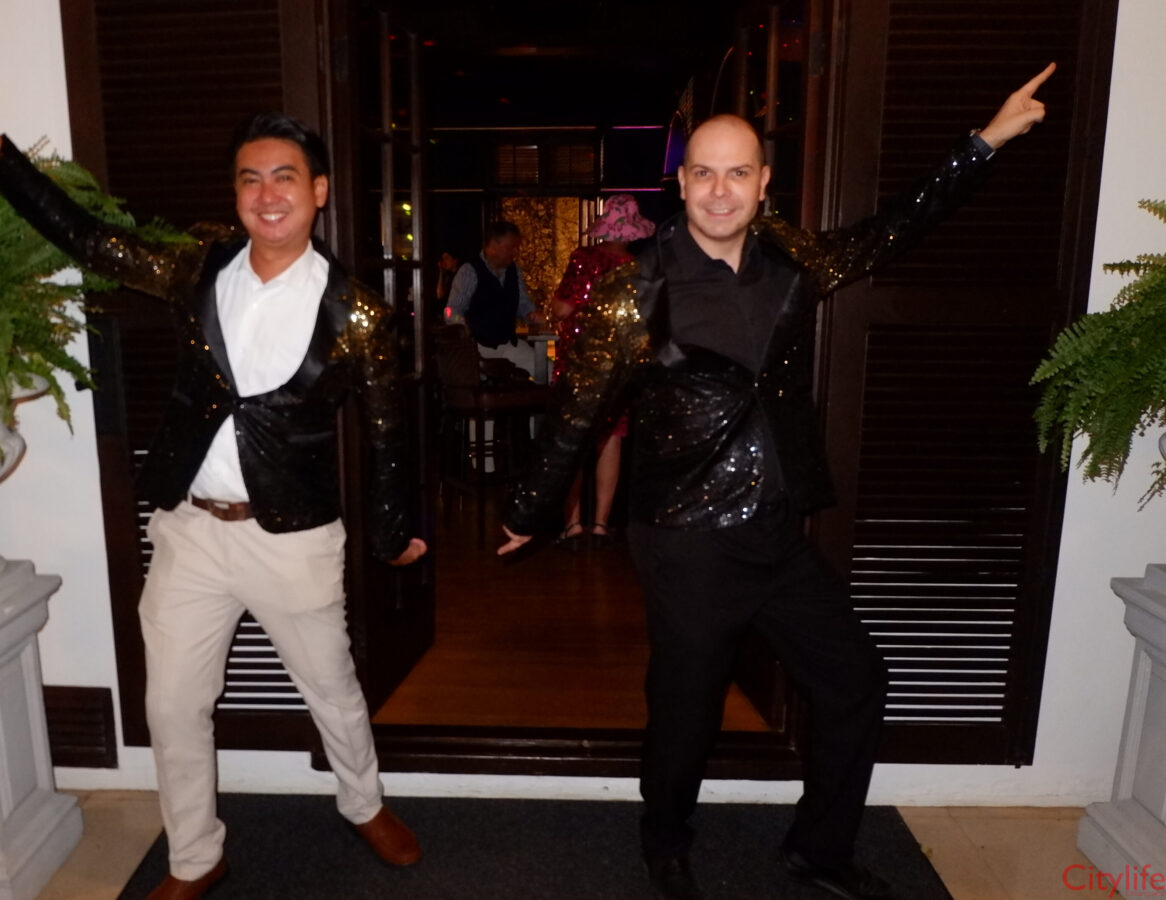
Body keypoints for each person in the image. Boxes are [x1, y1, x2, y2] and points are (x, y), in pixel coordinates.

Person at [0, 52, 428, 900]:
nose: (267, 193)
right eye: (250, 178)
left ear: (318, 191)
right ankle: (195, 855)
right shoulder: (198, 266)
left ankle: (363, 802)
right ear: (235, 193)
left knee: (333, 690)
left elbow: (390, 431)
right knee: (171, 704)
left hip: (293, 539)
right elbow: (84, 236)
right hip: (192, 529)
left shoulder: (359, 313)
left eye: (285, 177)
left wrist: (393, 533)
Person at [499, 64, 1056, 900]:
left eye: (737, 172)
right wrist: (530, 511)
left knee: (855, 680)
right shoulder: (633, 285)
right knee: (686, 707)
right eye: (703, 172)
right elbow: (577, 413)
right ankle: (665, 841)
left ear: (763, 182)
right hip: (684, 536)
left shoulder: (794, 257)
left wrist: (984, 142)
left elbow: (893, 229)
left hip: (775, 530)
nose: (719, 190)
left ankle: (819, 849)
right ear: (681, 183)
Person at [551, 194, 654, 549]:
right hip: (619, 363)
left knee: (572, 439)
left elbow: (562, 309)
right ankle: (600, 525)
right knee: (612, 437)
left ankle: (573, 525)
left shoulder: (584, 259)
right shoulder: (637, 267)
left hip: (580, 360)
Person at [444, 220, 544, 378]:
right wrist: (463, 327)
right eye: (512, 247)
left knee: (547, 371)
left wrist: (531, 314)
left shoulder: (514, 270)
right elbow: (451, 311)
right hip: (479, 348)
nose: (516, 252)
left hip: (509, 344)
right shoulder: (469, 271)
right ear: (493, 246)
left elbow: (522, 302)